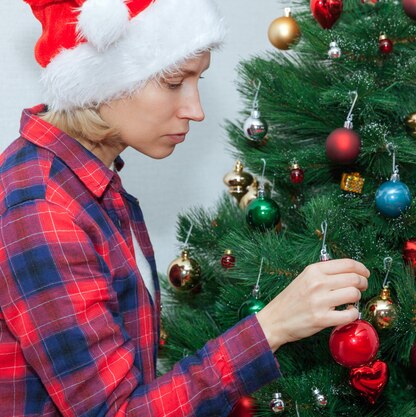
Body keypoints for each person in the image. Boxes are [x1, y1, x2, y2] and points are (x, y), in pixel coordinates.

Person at [0, 1, 370, 416]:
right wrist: (271, 328)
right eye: (175, 82)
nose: (195, 110)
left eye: (197, 80)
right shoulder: (45, 209)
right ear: (103, 81)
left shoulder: (88, 180)